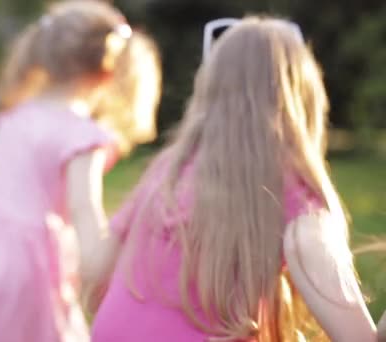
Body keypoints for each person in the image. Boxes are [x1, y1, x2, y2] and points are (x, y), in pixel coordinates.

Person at [91, 17, 377, 341]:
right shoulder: (296, 198)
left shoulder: (169, 167)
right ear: (304, 94)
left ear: (208, 87)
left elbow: (99, 268)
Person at [0, 1, 162, 341]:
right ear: (109, 71)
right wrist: (100, 267)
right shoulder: (82, 136)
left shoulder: (18, 117)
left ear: (44, 57)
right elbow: (82, 207)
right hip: (31, 261)